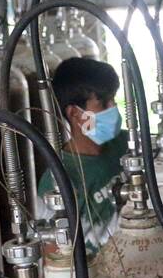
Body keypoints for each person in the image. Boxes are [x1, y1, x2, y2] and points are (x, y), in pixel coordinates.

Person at [37, 56, 128, 254]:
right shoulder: (57, 180)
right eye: (104, 103)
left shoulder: (122, 143)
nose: (114, 108)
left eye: (114, 99)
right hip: (99, 276)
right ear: (75, 114)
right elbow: (54, 255)